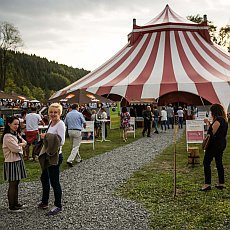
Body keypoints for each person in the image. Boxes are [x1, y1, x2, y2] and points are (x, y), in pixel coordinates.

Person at [38, 103, 65, 216]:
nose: (53, 114)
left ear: (60, 113)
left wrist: (47, 136)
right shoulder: (51, 123)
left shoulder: (60, 124)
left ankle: (58, 205)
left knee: (54, 181)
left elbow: (61, 141)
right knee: (44, 178)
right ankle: (45, 201)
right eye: (51, 112)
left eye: (56, 112)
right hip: (47, 155)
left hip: (55, 157)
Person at [2, 116, 27, 212]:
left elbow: (24, 142)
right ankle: (12, 206)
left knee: (16, 183)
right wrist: (21, 145)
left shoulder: (15, 134)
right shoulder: (8, 136)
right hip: (11, 162)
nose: (16, 126)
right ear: (9, 124)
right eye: (14, 124)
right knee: (12, 184)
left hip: (17, 160)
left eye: (17, 124)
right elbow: (16, 149)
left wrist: (20, 145)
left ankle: (16, 203)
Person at [200, 104, 228, 191]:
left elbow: (212, 132)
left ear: (214, 111)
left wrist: (208, 123)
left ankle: (207, 184)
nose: (211, 113)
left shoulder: (218, 120)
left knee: (206, 162)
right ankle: (221, 183)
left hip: (214, 145)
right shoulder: (224, 120)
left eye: (211, 111)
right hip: (221, 144)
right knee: (219, 163)